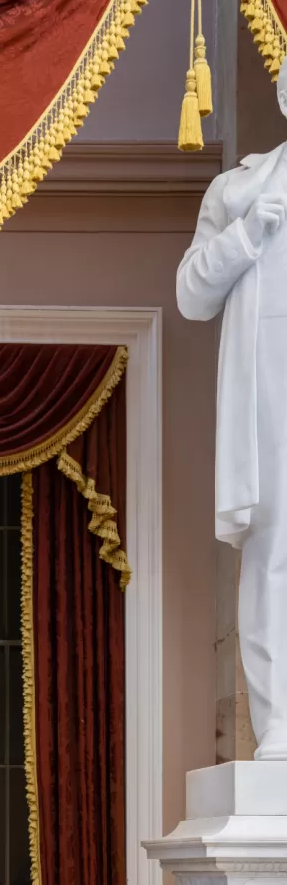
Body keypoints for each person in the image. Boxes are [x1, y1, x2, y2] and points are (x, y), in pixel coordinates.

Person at [177, 72, 287, 761]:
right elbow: (191, 294)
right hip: (269, 387)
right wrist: (245, 237)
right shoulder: (242, 189)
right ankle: (281, 727)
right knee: (273, 556)